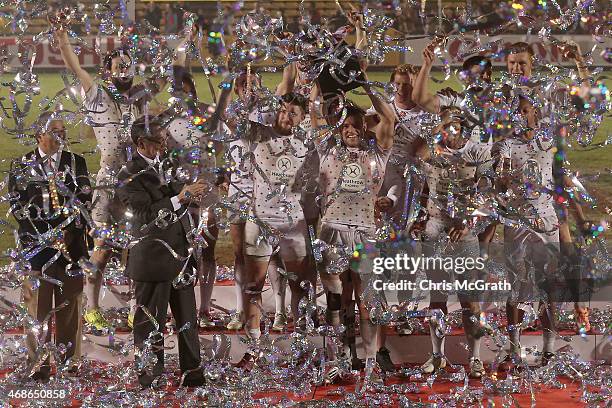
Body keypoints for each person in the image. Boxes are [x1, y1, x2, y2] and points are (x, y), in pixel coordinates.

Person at [52, 18, 189, 331]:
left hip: (139, 182)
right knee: (101, 249)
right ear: (108, 71)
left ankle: (135, 308)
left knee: (137, 247)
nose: (124, 70)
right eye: (118, 66)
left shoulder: (141, 98)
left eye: (128, 65)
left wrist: (183, 42)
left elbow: (174, 75)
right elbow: (75, 67)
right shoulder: (97, 96)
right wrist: (61, 36)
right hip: (109, 184)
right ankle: (92, 308)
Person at [310, 75, 395, 384]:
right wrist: (318, 79)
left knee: (367, 302)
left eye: (355, 126)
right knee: (334, 301)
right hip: (331, 231)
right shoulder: (327, 151)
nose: (349, 130)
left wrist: (366, 84)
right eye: (344, 126)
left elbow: (388, 117)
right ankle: (335, 361)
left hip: (365, 232)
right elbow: (315, 112)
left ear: (364, 129)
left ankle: (371, 364)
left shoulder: (377, 155)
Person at [116, 117, 206, 388]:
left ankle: (193, 373)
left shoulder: (169, 165)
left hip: (181, 256)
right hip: (153, 260)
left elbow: (181, 198)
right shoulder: (127, 176)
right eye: (159, 140)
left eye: (166, 139)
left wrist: (197, 193)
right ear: (141, 143)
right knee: (149, 324)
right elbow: (143, 217)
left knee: (188, 321)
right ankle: (149, 377)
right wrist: (180, 197)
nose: (165, 146)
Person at [234, 92, 315, 370]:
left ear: (304, 117)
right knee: (253, 286)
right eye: (283, 110)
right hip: (260, 220)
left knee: (299, 286)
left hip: (294, 224)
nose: (286, 116)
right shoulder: (257, 134)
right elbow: (230, 119)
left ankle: (301, 346)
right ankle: (254, 348)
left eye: (294, 112)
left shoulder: (308, 143)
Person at [9, 113, 91, 381]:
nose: (60, 136)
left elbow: (84, 202)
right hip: (37, 251)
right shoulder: (21, 165)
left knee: (70, 307)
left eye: (63, 131)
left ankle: (70, 362)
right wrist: (46, 235)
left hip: (72, 249)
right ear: (39, 135)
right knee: (37, 310)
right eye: (54, 131)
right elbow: (18, 208)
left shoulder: (76, 163)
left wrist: (68, 232)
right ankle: (38, 363)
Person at [410, 107, 491, 379]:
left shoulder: (477, 152)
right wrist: (420, 218)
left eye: (455, 125)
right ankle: (437, 355)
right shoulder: (433, 150)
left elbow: (488, 195)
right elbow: (422, 184)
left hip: (464, 234)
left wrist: (467, 222)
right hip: (435, 230)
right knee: (437, 298)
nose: (450, 130)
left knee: (470, 299)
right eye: (446, 125)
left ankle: (476, 357)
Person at [495, 95, 560, 370]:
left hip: (546, 221)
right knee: (516, 289)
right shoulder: (506, 144)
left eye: (525, 111)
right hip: (517, 222)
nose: (522, 117)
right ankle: (514, 348)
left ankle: (550, 350)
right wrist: (503, 176)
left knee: (548, 287)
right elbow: (500, 180)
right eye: (516, 113)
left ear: (534, 112)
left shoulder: (546, 138)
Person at [224, 70, 289, 332]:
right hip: (238, 191)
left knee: (272, 254)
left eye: (254, 83)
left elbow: (287, 85)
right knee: (240, 254)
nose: (249, 88)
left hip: (265, 192)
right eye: (244, 85)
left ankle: (280, 311)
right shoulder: (231, 115)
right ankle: (241, 310)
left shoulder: (270, 113)